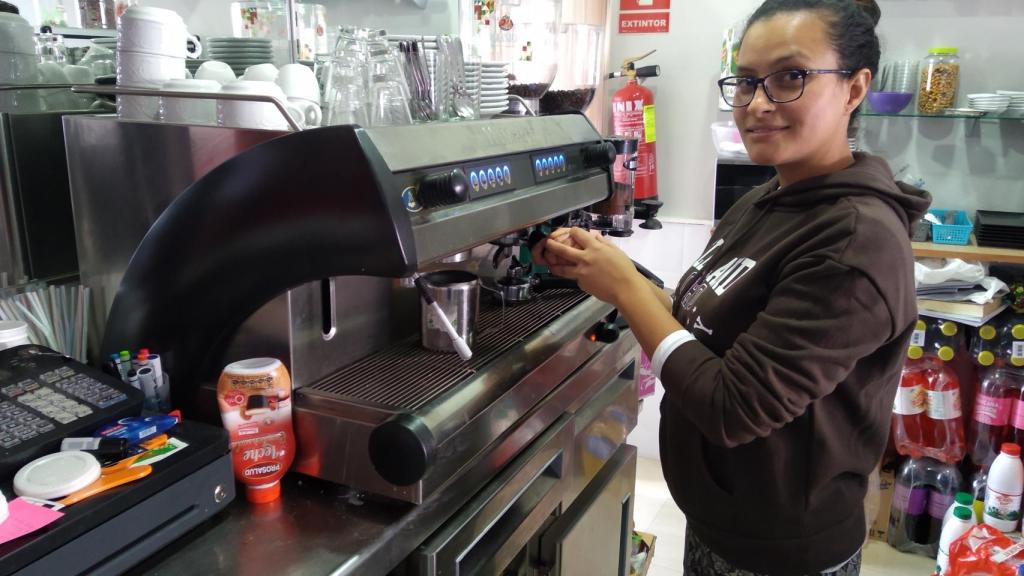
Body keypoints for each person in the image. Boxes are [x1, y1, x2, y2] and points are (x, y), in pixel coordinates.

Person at [532, 0, 931, 574]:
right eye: (745, 82)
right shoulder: (768, 197)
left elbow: (732, 407)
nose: (758, 103)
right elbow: (705, 323)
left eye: (790, 77)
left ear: (854, 88)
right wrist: (608, 267)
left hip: (781, 551)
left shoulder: (854, 241)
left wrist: (625, 291)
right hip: (723, 519)